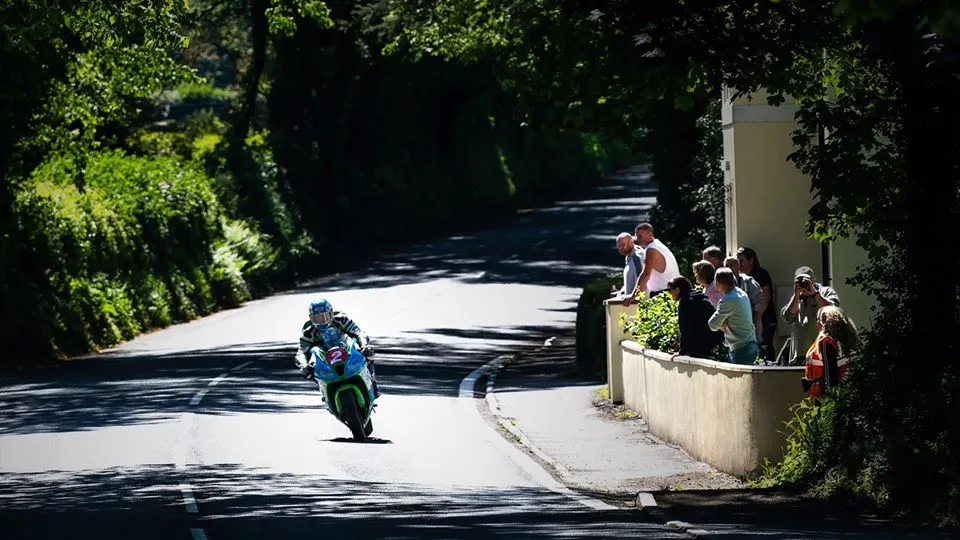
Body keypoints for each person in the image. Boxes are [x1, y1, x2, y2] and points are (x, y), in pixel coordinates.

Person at [295, 298, 381, 398]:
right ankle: (325, 391)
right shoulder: (308, 332)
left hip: (345, 348)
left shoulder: (341, 319)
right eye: (317, 318)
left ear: (331, 313)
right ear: (311, 318)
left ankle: (373, 382)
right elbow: (301, 352)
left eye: (325, 316)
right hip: (324, 357)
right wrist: (304, 365)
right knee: (310, 367)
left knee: (368, 354)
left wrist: (364, 346)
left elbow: (359, 333)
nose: (322, 321)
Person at [781, 266, 840, 366]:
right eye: (800, 281)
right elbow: (787, 318)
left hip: (821, 353)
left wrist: (814, 294)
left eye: (806, 281)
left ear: (813, 280)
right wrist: (796, 297)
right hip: (799, 354)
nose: (804, 284)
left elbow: (832, 311)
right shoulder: (797, 297)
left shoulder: (826, 292)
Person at [801, 306, 859, 397]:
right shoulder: (848, 339)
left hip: (827, 395)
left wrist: (830, 396)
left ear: (822, 322)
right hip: (851, 390)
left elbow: (830, 373)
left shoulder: (826, 341)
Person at [708, 267, 758, 365]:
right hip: (748, 343)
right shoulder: (741, 293)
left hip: (741, 348)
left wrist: (723, 322)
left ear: (717, 283)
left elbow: (712, 325)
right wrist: (724, 322)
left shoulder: (728, 299)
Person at [667, 276, 723, 359]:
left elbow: (685, 330)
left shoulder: (686, 303)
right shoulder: (699, 297)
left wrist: (682, 352)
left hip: (703, 346)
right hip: (716, 342)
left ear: (678, 290)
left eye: (670, 290)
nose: (669, 293)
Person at [736, 247, 776, 361]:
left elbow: (765, 298)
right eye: (737, 260)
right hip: (750, 320)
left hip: (765, 319)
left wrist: (755, 318)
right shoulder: (740, 277)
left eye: (742, 260)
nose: (739, 264)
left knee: (765, 347)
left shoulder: (760, 274)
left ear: (751, 260)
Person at [633, 222, 681, 298]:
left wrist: (634, 296)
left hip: (663, 294)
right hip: (674, 292)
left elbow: (646, 274)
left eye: (640, 237)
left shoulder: (651, 249)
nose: (637, 240)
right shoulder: (659, 245)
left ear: (649, 234)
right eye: (636, 237)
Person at [611, 232, 644, 305]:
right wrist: (622, 291)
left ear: (631, 242)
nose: (620, 248)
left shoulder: (636, 259)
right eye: (618, 246)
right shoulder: (629, 257)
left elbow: (642, 281)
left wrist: (633, 296)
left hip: (635, 304)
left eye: (623, 245)